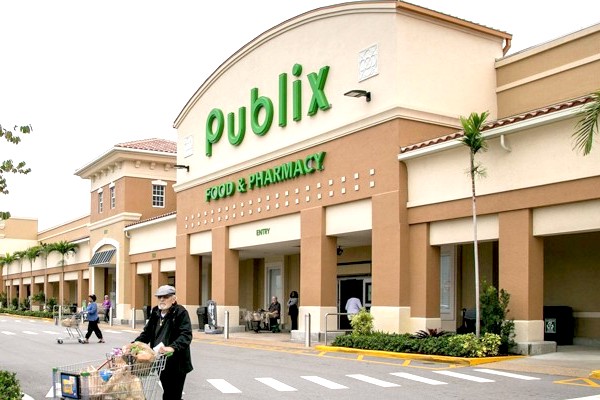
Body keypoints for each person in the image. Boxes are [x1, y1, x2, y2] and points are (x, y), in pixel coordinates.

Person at [134, 285, 193, 400]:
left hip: (177, 362)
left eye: (165, 297)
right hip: (161, 360)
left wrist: (172, 347)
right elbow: (147, 333)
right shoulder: (155, 311)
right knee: (168, 392)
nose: (162, 299)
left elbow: (186, 335)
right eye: (159, 297)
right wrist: (134, 344)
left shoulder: (180, 312)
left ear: (173, 299)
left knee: (173, 394)